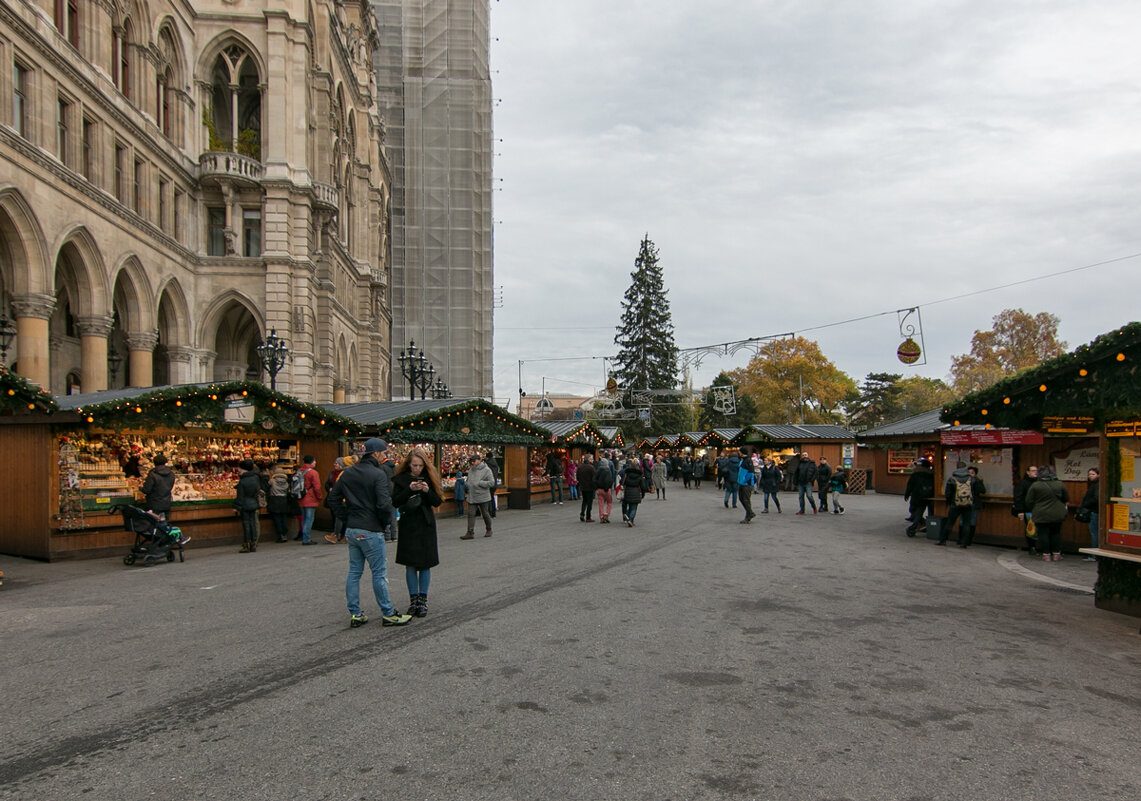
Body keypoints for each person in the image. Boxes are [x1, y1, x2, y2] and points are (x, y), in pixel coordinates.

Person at [326, 438, 412, 628]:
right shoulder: (377, 474)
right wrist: (383, 523)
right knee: (379, 573)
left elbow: (332, 499)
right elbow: (383, 504)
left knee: (354, 571)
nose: (385, 456)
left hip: (353, 527)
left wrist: (346, 517)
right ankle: (388, 612)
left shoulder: (347, 474)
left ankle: (355, 613)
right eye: (384, 453)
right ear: (375, 454)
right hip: (371, 527)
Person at [392, 448, 442, 617]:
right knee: (410, 563)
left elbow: (437, 502)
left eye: (420, 466)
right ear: (408, 464)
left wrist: (427, 490)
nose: (417, 469)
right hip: (408, 524)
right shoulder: (400, 479)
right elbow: (395, 502)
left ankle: (423, 600)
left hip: (426, 524)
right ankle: (413, 600)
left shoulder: (430, 478)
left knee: (425, 563)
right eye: (414, 465)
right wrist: (409, 489)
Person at [1024, 464, 1070, 562]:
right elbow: (1066, 498)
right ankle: (1056, 554)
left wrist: (1035, 508)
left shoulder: (1035, 485)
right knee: (1056, 533)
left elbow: (1029, 500)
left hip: (1041, 513)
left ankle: (1046, 555)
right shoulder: (1059, 484)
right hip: (1057, 513)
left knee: (1043, 533)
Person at [938, 461, 980, 547]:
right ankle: (964, 543)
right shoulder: (971, 479)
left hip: (955, 504)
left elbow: (948, 493)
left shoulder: (952, 479)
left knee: (950, 522)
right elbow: (976, 491)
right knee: (966, 524)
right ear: (965, 468)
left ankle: (943, 540)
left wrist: (950, 502)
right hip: (968, 504)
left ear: (957, 468)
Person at [461, 453, 496, 539]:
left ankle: (489, 529)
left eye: (474, 461)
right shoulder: (471, 470)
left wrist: (480, 483)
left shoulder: (487, 470)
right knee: (471, 513)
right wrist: (467, 484)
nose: (473, 463)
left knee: (485, 513)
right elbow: (469, 480)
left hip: (482, 495)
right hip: (472, 495)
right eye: (471, 461)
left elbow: (491, 482)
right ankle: (470, 532)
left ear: (479, 460)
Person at [233, 459, 262, 553]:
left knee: (246, 524)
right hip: (253, 503)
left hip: (245, 504)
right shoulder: (255, 479)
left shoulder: (242, 481)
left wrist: (236, 507)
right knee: (253, 523)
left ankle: (247, 544)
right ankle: (254, 543)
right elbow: (258, 490)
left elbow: (240, 497)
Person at [295, 455, 323, 545]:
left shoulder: (300, 471)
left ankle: (304, 536)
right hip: (310, 498)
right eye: (314, 461)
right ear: (311, 462)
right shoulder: (313, 473)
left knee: (304, 519)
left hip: (301, 497)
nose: (315, 462)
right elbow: (317, 487)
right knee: (309, 519)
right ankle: (306, 539)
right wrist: (319, 497)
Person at [904, 459, 935, 536]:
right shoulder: (931, 474)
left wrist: (907, 494)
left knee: (914, 511)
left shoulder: (916, 474)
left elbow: (910, 485)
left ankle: (916, 526)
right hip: (929, 496)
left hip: (917, 496)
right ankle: (925, 524)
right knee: (925, 512)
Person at [1012, 465, 1039, 554]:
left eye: (1036, 470)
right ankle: (1032, 547)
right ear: (1027, 472)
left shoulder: (1039, 482)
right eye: (1033, 470)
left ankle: (1038, 546)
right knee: (1030, 528)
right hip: (1028, 510)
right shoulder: (1022, 483)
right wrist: (1020, 510)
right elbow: (1018, 497)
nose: (1035, 472)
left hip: (1039, 509)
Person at [141, 454, 176, 522]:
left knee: (153, 524)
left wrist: (140, 488)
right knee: (164, 524)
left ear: (154, 463)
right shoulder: (171, 474)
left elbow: (147, 490)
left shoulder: (153, 474)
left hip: (154, 504)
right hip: (166, 503)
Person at [323, 457, 348, 544]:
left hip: (344, 498)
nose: (335, 464)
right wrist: (329, 488)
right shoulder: (332, 473)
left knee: (341, 517)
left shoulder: (345, 473)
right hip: (337, 498)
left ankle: (340, 535)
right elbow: (327, 483)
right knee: (339, 517)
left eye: (336, 463)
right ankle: (339, 535)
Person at [266, 461, 291, 542]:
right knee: (283, 517)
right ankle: (285, 534)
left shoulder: (272, 481)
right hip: (283, 500)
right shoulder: (286, 482)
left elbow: (267, 487)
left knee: (276, 518)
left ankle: (280, 535)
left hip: (275, 500)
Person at [618, 458, 648, 526]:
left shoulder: (626, 474)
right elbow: (642, 486)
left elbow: (621, 482)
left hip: (627, 491)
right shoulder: (639, 475)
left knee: (627, 504)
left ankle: (626, 515)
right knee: (634, 507)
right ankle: (630, 519)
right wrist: (643, 494)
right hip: (636, 491)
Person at [964, 466, 987, 546]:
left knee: (972, 521)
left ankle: (969, 539)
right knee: (963, 521)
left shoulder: (977, 481)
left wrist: (978, 482)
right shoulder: (964, 481)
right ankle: (962, 539)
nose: (970, 474)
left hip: (974, 503)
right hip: (965, 503)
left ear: (975, 474)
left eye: (972, 473)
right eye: (969, 473)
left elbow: (983, 490)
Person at [1080, 468, 1100, 560]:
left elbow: (1096, 498)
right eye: (1089, 474)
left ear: (1098, 475)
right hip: (1095, 511)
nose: (1090, 476)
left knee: (1094, 533)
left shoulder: (1096, 485)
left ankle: (1094, 554)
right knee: (1095, 533)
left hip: (1094, 511)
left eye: (1093, 474)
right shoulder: (1095, 485)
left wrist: (1086, 504)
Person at [737, 448, 756, 523]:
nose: (738, 453)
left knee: (746, 499)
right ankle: (750, 513)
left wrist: (745, 481)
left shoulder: (748, 460)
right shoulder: (742, 460)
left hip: (746, 484)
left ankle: (748, 515)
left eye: (739, 452)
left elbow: (750, 472)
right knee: (741, 498)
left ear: (742, 452)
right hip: (741, 482)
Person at [578, 454, 596, 522]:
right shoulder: (591, 467)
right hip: (590, 487)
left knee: (584, 501)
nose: (593, 460)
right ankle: (588, 517)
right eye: (592, 459)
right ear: (589, 460)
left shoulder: (580, 467)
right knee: (589, 502)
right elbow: (594, 477)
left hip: (582, 486)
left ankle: (582, 514)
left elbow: (578, 477)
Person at [485, 450, 500, 517]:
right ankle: (493, 513)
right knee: (492, 498)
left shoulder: (488, 464)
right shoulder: (495, 463)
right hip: (494, 483)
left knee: (488, 498)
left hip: (489, 483)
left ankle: (489, 512)